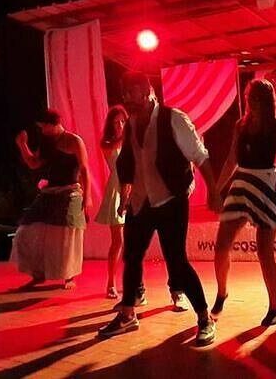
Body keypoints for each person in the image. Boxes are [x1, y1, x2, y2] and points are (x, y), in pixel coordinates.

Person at [98, 71, 220, 346]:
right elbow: (128, 162)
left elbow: (200, 157)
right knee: (132, 257)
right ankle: (128, 314)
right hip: (141, 202)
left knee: (177, 262)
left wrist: (213, 191)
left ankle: (204, 318)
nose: (127, 99)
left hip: (170, 200)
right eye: (125, 94)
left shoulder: (173, 118)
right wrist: (126, 194)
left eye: (132, 93)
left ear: (147, 91)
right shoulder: (131, 124)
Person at [211, 79, 276, 326]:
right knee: (221, 246)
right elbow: (231, 160)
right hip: (242, 183)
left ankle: (274, 307)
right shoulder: (241, 125)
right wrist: (216, 190)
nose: (252, 101)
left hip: (266, 184)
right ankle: (221, 292)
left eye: (257, 97)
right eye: (250, 97)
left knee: (264, 252)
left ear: (267, 100)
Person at [12, 108, 91, 289]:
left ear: (53, 124)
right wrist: (22, 145)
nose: (42, 131)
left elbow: (84, 169)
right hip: (51, 191)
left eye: (43, 127)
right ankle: (38, 273)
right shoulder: (46, 143)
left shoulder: (74, 140)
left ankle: (69, 275)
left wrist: (87, 197)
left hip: (70, 191)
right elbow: (33, 163)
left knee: (66, 234)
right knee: (27, 230)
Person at [96, 105, 129, 299]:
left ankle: (133, 282)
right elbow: (114, 147)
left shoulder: (131, 141)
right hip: (116, 190)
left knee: (133, 241)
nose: (120, 125)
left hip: (133, 189)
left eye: (123, 121)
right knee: (118, 241)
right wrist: (127, 134)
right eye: (116, 122)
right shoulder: (107, 143)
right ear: (111, 124)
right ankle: (111, 283)